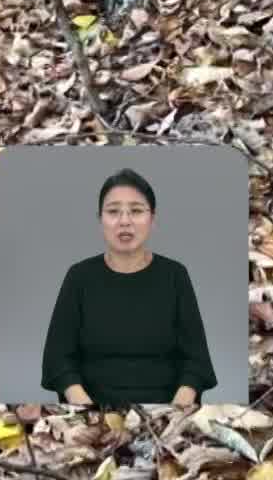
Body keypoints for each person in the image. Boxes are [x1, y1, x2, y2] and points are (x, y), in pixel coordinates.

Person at [39, 168, 218, 409]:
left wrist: (173, 412)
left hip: (164, 410)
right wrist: (87, 410)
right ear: (100, 219)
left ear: (152, 219)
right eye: (113, 212)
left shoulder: (175, 275)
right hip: (93, 411)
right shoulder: (79, 277)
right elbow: (58, 360)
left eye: (136, 211)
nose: (125, 221)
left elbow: (197, 363)